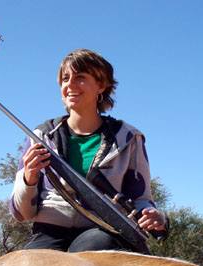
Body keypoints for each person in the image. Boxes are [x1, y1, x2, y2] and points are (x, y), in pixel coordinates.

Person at [9, 49, 166, 253]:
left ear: (101, 86)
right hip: (49, 231)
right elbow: (21, 214)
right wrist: (29, 177)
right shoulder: (41, 135)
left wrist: (153, 215)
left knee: (90, 249)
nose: (71, 84)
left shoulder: (129, 138)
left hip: (104, 230)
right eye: (65, 79)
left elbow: (141, 199)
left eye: (80, 77)